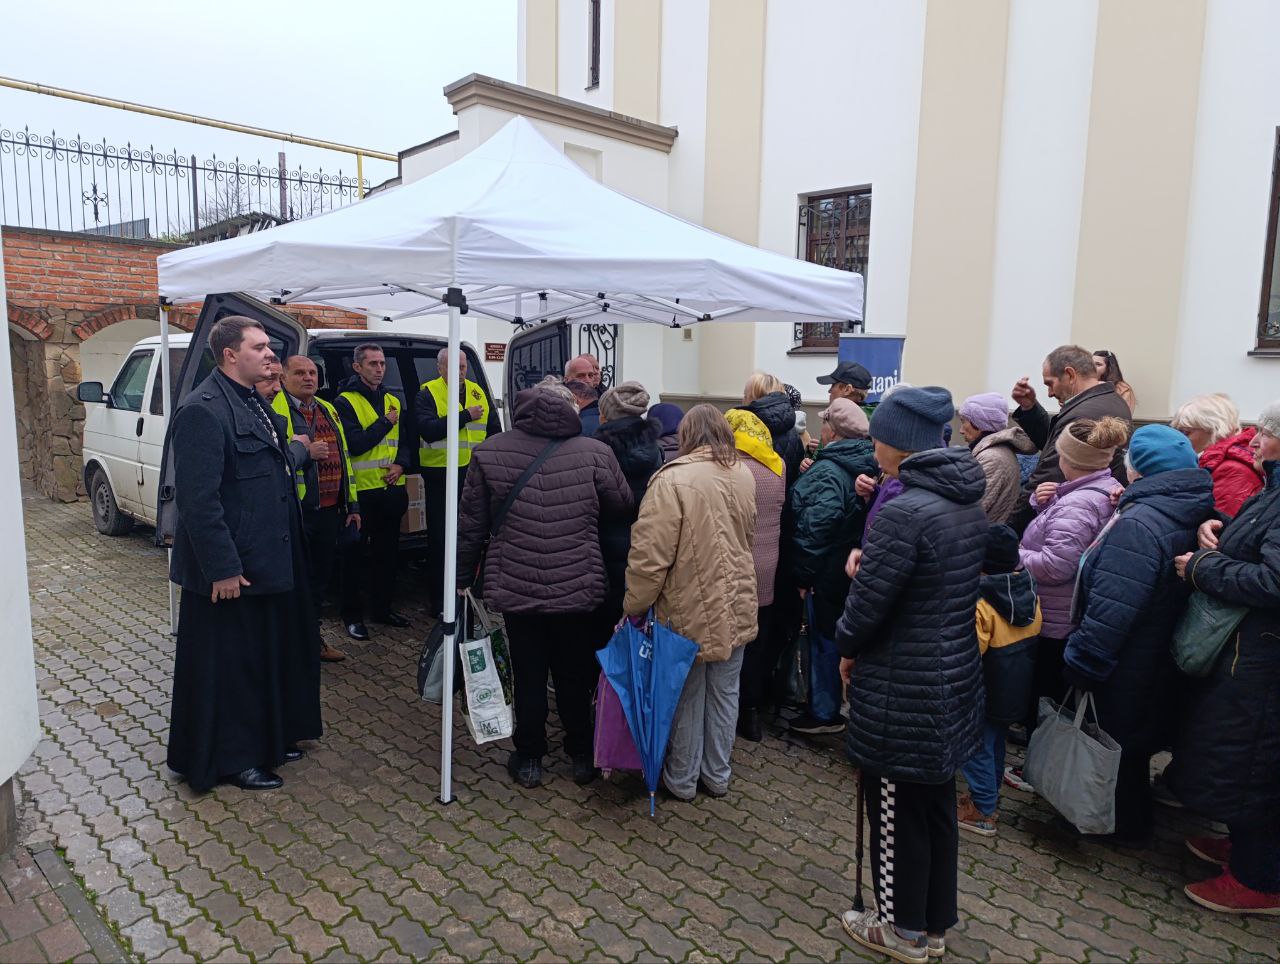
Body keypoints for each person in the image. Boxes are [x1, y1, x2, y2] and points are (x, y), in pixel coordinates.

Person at [835, 386, 986, 963]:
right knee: (935, 808)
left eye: (879, 435)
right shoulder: (962, 499)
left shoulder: (904, 511)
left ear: (899, 442)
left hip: (904, 686)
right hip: (950, 679)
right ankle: (933, 923)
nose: (873, 444)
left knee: (895, 810)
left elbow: (868, 610)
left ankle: (900, 931)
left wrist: (847, 646)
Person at [166, 316, 322, 792]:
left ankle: (269, 741)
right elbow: (198, 502)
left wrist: (297, 451)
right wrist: (224, 569)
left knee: (263, 658)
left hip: (267, 560)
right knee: (232, 668)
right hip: (231, 571)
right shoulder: (202, 410)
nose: (272, 356)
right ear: (231, 355)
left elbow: (268, 461)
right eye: (261, 348)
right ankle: (233, 759)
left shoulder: (253, 400)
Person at [456, 381, 632, 789]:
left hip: (518, 586)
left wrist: (463, 577)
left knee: (529, 672)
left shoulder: (489, 452)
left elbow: (472, 526)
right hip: (578, 583)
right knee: (574, 672)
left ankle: (531, 757)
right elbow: (622, 503)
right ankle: (581, 755)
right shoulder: (594, 452)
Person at [1061, 425, 1214, 845]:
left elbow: (1115, 603)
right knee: (1135, 744)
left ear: (1140, 470)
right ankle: (1129, 819)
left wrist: (1085, 660)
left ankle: (1117, 826)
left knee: (1115, 744)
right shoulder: (1194, 508)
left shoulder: (1141, 524)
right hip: (1160, 654)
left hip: (1129, 658)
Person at [1169, 400, 1280, 914]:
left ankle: (1260, 879)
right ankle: (1247, 850)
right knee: (1240, 754)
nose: (1253, 440)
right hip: (1249, 649)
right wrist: (1218, 532)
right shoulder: (1272, 484)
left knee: (1254, 759)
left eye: (1267, 434)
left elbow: (1274, 580)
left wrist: (1202, 569)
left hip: (1264, 654)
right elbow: (1257, 547)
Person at [624, 405, 758, 801]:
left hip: (688, 608)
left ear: (686, 436)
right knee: (725, 692)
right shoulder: (743, 473)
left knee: (686, 694)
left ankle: (682, 781)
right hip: (736, 599)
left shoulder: (671, 480)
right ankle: (717, 775)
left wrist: (634, 605)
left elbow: (650, 556)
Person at [1014, 417, 1128, 761]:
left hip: (1054, 617)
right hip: (1065, 613)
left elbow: (1055, 565)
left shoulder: (1078, 504)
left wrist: (1013, 554)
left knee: (1044, 699)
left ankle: (1040, 766)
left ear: (1067, 458)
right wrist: (1043, 504)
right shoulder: (1095, 490)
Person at [786, 399, 877, 738]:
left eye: (823, 423)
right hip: (845, 568)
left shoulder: (829, 471)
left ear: (832, 432)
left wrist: (802, 577)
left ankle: (824, 712)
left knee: (823, 639)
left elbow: (814, 531)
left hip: (826, 574)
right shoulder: (863, 462)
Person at [273, 356, 360, 663]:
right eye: (300, 372)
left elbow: (345, 458)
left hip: (328, 511)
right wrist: (306, 453)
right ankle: (289, 645)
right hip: (293, 513)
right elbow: (270, 461)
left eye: (312, 372)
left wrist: (352, 504)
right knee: (292, 581)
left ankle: (311, 640)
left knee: (318, 582)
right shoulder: (274, 410)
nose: (308, 377)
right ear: (283, 377)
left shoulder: (328, 408)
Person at [958, 524, 1042, 838]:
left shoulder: (981, 602)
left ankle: (982, 809)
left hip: (983, 687)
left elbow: (970, 652)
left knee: (972, 746)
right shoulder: (1027, 591)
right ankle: (988, 797)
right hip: (1013, 686)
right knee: (993, 746)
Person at [413, 348, 502, 617]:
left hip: (473, 476)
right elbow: (427, 429)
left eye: (463, 366)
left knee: (470, 537)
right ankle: (439, 603)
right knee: (441, 540)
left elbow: (494, 432)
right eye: (453, 366)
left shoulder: (478, 392)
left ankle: (467, 594)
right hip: (441, 475)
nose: (460, 371)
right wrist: (465, 416)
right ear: (440, 367)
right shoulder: (427, 392)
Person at [333, 344, 412, 641]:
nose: (379, 369)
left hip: (391, 492)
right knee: (353, 557)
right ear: (357, 367)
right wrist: (384, 422)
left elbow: (404, 441)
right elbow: (355, 444)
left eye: (382, 364)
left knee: (387, 556)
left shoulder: (392, 399)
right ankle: (351, 616)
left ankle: (382, 609)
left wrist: (402, 465)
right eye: (372, 364)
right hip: (360, 495)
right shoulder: (345, 402)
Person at [1008, 344, 1132, 532]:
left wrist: (1007, 531)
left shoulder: (1084, 413)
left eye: (1050, 383)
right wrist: (1030, 408)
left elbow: (1048, 474)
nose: (1050, 393)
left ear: (1070, 375)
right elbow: (1056, 444)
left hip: (1070, 522)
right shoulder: (1108, 400)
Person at [722, 408, 786, 743]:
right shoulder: (778, 465)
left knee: (732, 644)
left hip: (735, 568)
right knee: (758, 645)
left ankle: (726, 712)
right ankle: (751, 713)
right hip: (766, 567)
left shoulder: (730, 468)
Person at [592, 381, 665, 637]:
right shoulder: (657, 451)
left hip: (603, 551)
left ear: (604, 416)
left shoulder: (597, 452)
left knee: (602, 631)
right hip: (645, 549)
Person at [1171, 393, 1263, 517]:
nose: (1179, 439)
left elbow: (1220, 528)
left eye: (1185, 432)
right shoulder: (1220, 461)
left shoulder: (1232, 471)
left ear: (1215, 429)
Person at [958, 392, 1036, 525]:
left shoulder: (992, 458)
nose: (960, 430)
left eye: (963, 421)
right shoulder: (995, 451)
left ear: (979, 423)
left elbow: (972, 510)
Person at [741, 371, 805, 486]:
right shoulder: (792, 429)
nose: (742, 400)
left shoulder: (748, 428)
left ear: (753, 398)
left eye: (745, 396)